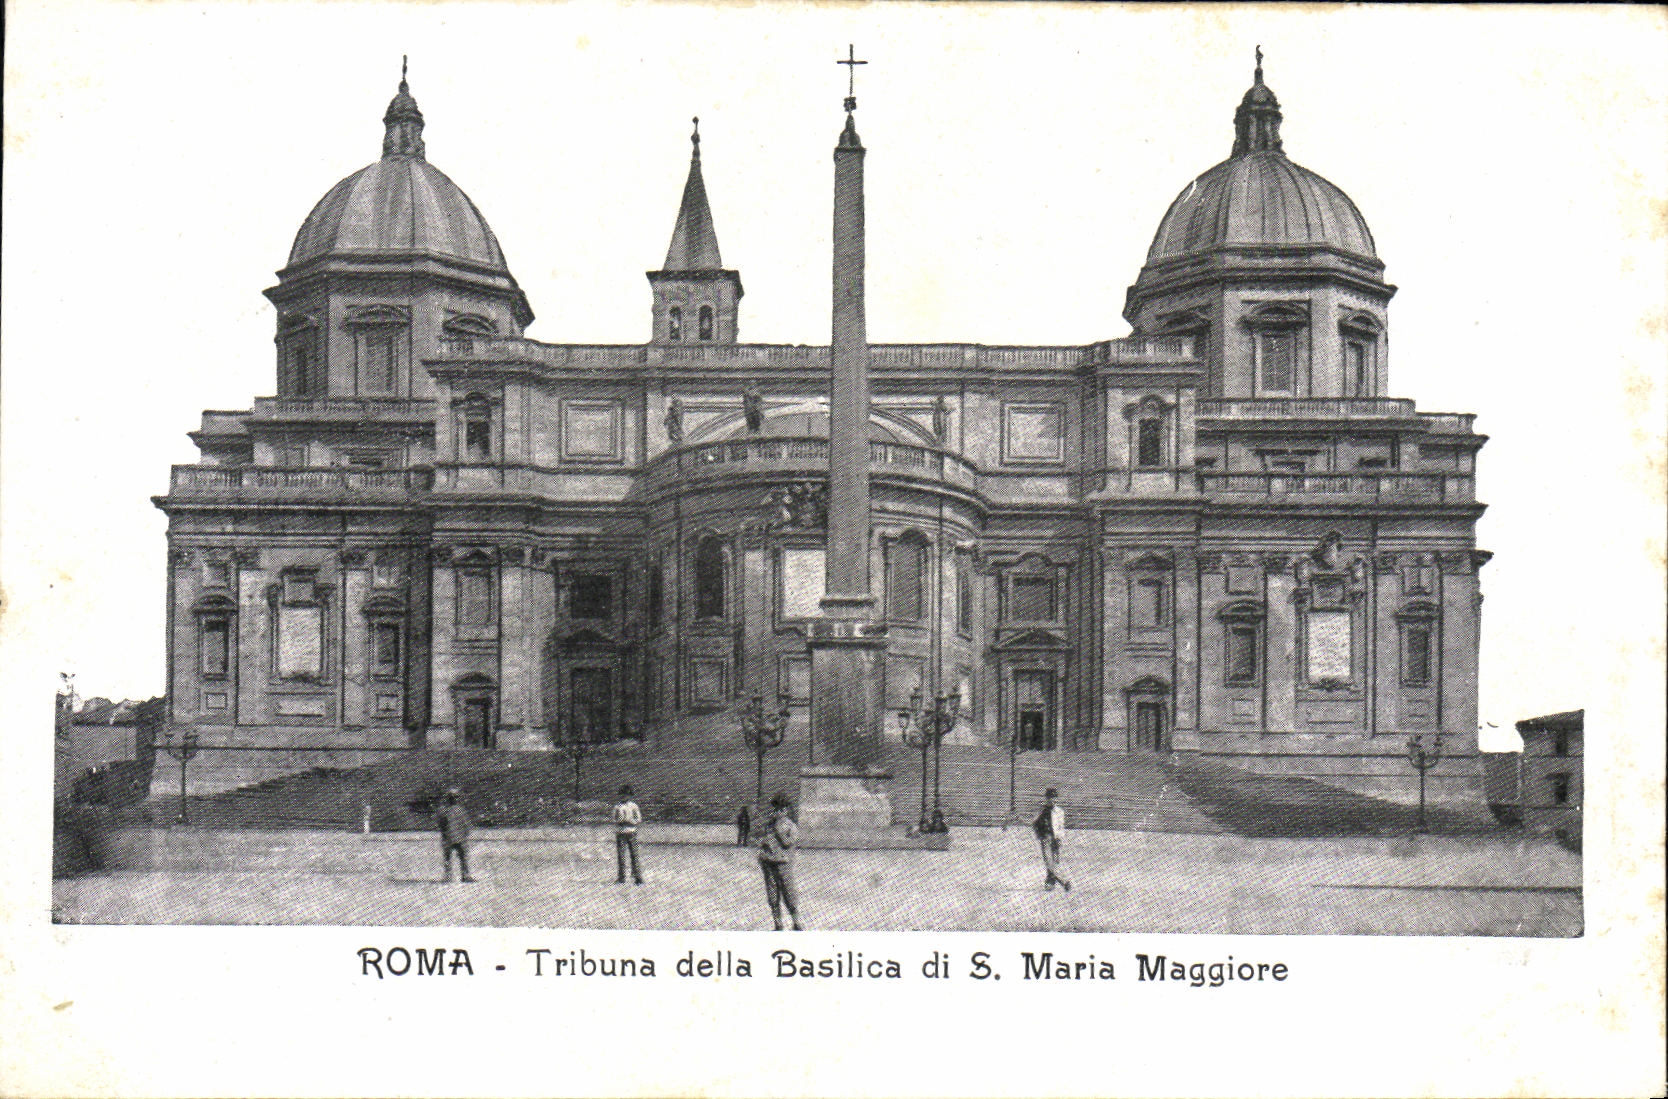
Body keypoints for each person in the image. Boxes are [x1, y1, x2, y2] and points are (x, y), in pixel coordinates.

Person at [756, 792, 803, 930]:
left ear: (786, 810)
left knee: (789, 893)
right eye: (776, 809)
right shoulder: (769, 825)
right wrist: (762, 854)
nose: (778, 812)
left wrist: (778, 830)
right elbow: (763, 842)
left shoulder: (791, 826)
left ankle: (796, 923)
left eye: (781, 809)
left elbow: (788, 843)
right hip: (769, 862)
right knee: (772, 894)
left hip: (784, 863)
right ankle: (778, 924)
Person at [1032, 786, 1072, 892]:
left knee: (1054, 862)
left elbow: (1061, 826)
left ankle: (1050, 882)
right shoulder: (1041, 810)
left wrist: (1059, 838)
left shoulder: (1059, 811)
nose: (1052, 800)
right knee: (1048, 860)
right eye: (1050, 798)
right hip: (1045, 838)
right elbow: (1033, 822)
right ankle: (1063, 881)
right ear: (1046, 798)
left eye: (1054, 798)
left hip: (1055, 838)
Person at [437, 788, 474, 883]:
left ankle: (448, 876)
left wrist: (445, 834)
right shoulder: (460, 810)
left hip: (449, 837)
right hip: (460, 838)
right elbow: (467, 825)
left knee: (448, 858)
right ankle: (465, 875)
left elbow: (441, 825)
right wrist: (465, 835)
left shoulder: (443, 811)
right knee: (463, 857)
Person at [612, 784, 645, 885]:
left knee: (634, 855)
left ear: (630, 795)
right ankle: (621, 878)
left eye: (626, 795)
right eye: (622, 795)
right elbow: (613, 818)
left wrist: (631, 821)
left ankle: (638, 878)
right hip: (621, 832)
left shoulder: (634, 806)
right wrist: (620, 821)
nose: (624, 797)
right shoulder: (617, 806)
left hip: (632, 832)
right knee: (621, 856)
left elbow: (639, 819)